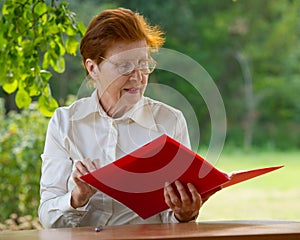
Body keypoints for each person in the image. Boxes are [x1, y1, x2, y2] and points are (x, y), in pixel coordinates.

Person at [38, 7, 203, 228]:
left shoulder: (169, 121)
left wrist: (184, 214)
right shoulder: (64, 124)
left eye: (143, 64)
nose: (138, 77)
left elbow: (172, 219)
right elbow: (48, 218)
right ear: (93, 68)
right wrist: (77, 197)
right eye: (124, 66)